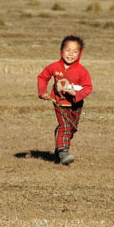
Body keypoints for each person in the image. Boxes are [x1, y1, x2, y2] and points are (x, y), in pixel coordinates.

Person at [37, 35, 93, 165]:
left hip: (76, 105)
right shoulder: (54, 67)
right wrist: (42, 92)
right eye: (67, 50)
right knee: (65, 127)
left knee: (72, 129)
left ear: (80, 53)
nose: (70, 54)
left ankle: (59, 144)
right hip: (59, 103)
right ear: (61, 50)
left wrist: (76, 93)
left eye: (75, 51)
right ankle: (63, 153)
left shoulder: (82, 71)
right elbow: (42, 77)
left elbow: (88, 87)